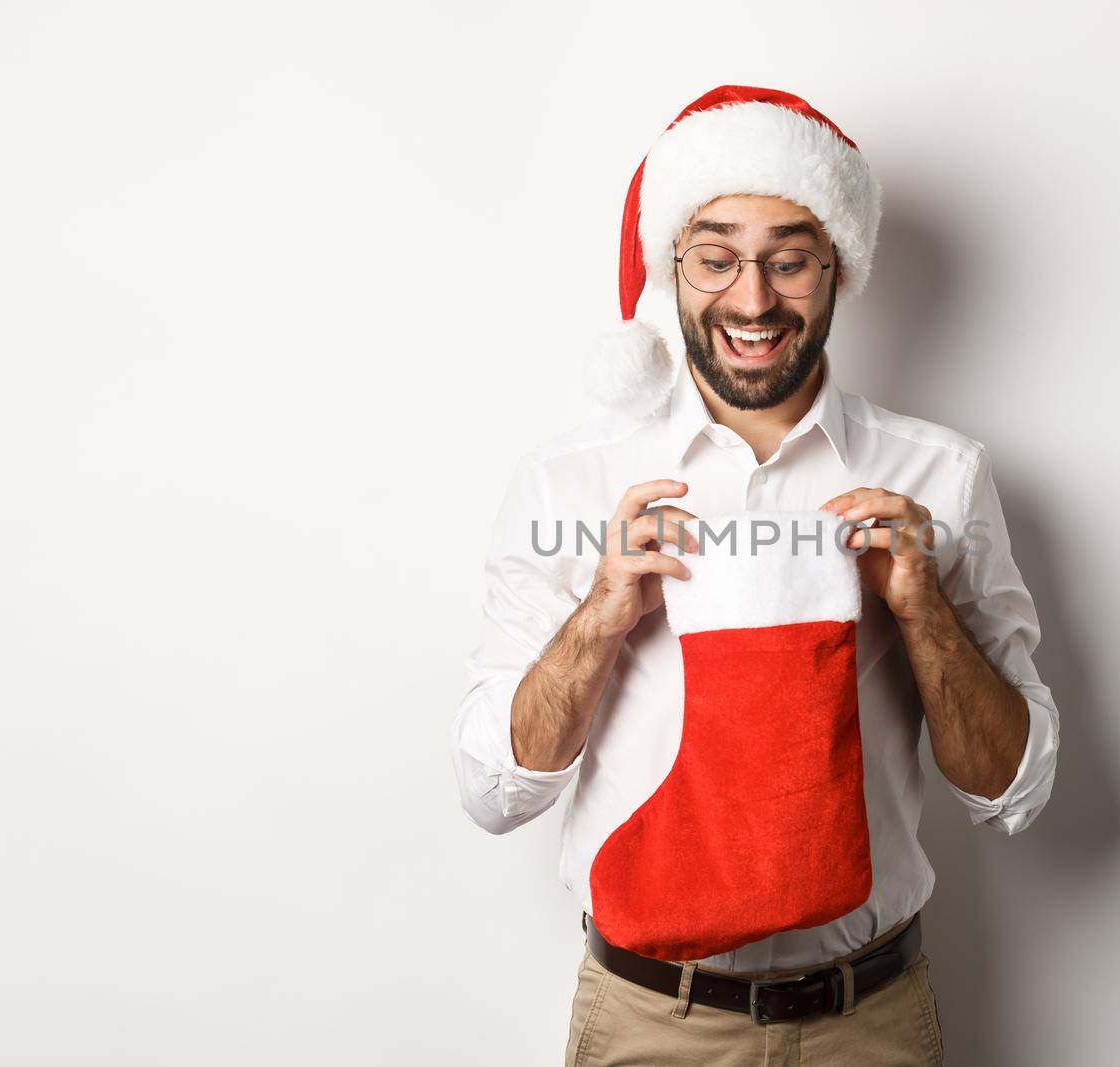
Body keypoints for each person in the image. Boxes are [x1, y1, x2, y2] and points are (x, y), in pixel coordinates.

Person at [449, 85, 1061, 1067]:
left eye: (788, 259)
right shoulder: (576, 479)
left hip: (872, 1018)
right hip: (652, 1021)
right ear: (673, 268)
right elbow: (492, 792)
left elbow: (1014, 790)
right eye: (716, 257)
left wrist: (921, 606)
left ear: (835, 269)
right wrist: (601, 616)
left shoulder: (937, 474)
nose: (752, 300)